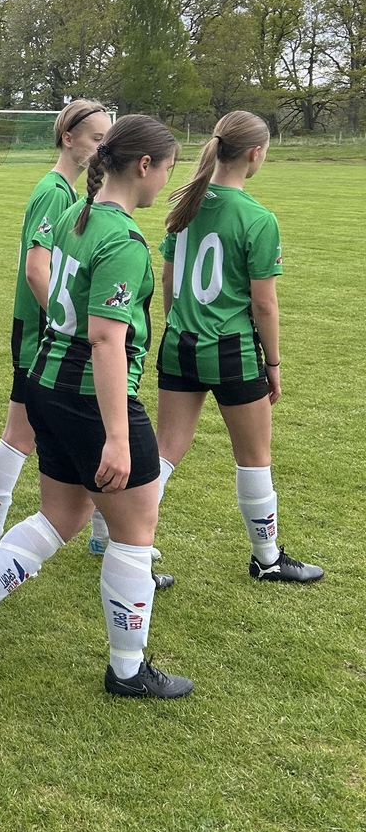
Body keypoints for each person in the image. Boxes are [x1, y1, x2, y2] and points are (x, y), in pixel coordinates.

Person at [0, 115, 194, 700]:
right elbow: (105, 340)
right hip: (86, 396)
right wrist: (118, 436)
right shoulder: (121, 239)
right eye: (167, 169)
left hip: (47, 382)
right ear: (144, 166)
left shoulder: (80, 213)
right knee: (135, 531)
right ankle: (127, 670)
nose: (165, 183)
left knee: (62, 515)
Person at [155, 111, 322, 584]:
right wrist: (274, 364)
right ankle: (266, 559)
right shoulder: (257, 217)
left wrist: (179, 327)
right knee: (253, 456)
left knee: (164, 453)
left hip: (179, 343)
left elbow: (168, 282)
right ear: (255, 153)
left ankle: (125, 540)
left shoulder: (185, 203)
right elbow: (264, 305)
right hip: (231, 350)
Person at [0, 100, 109, 566]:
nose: (102, 147)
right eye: (95, 138)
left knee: (80, 428)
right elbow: (36, 270)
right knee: (20, 436)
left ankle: (105, 535)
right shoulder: (54, 192)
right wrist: (68, 320)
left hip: (46, 329)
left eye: (107, 139)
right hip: (41, 330)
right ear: (68, 138)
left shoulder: (68, 191)